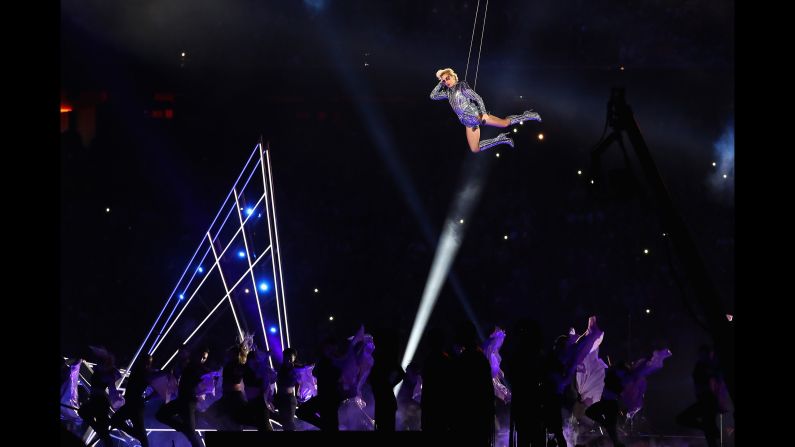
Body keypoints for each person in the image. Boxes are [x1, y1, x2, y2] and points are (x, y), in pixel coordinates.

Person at [430, 67, 541, 153]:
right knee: (474, 149)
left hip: (477, 117)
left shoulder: (461, 86)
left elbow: (477, 98)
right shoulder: (448, 93)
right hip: (468, 124)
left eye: (448, 78)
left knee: (505, 123)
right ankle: (502, 139)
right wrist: (441, 81)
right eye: (444, 81)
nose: (446, 81)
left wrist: (483, 114)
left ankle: (528, 115)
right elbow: (433, 96)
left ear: (453, 76)